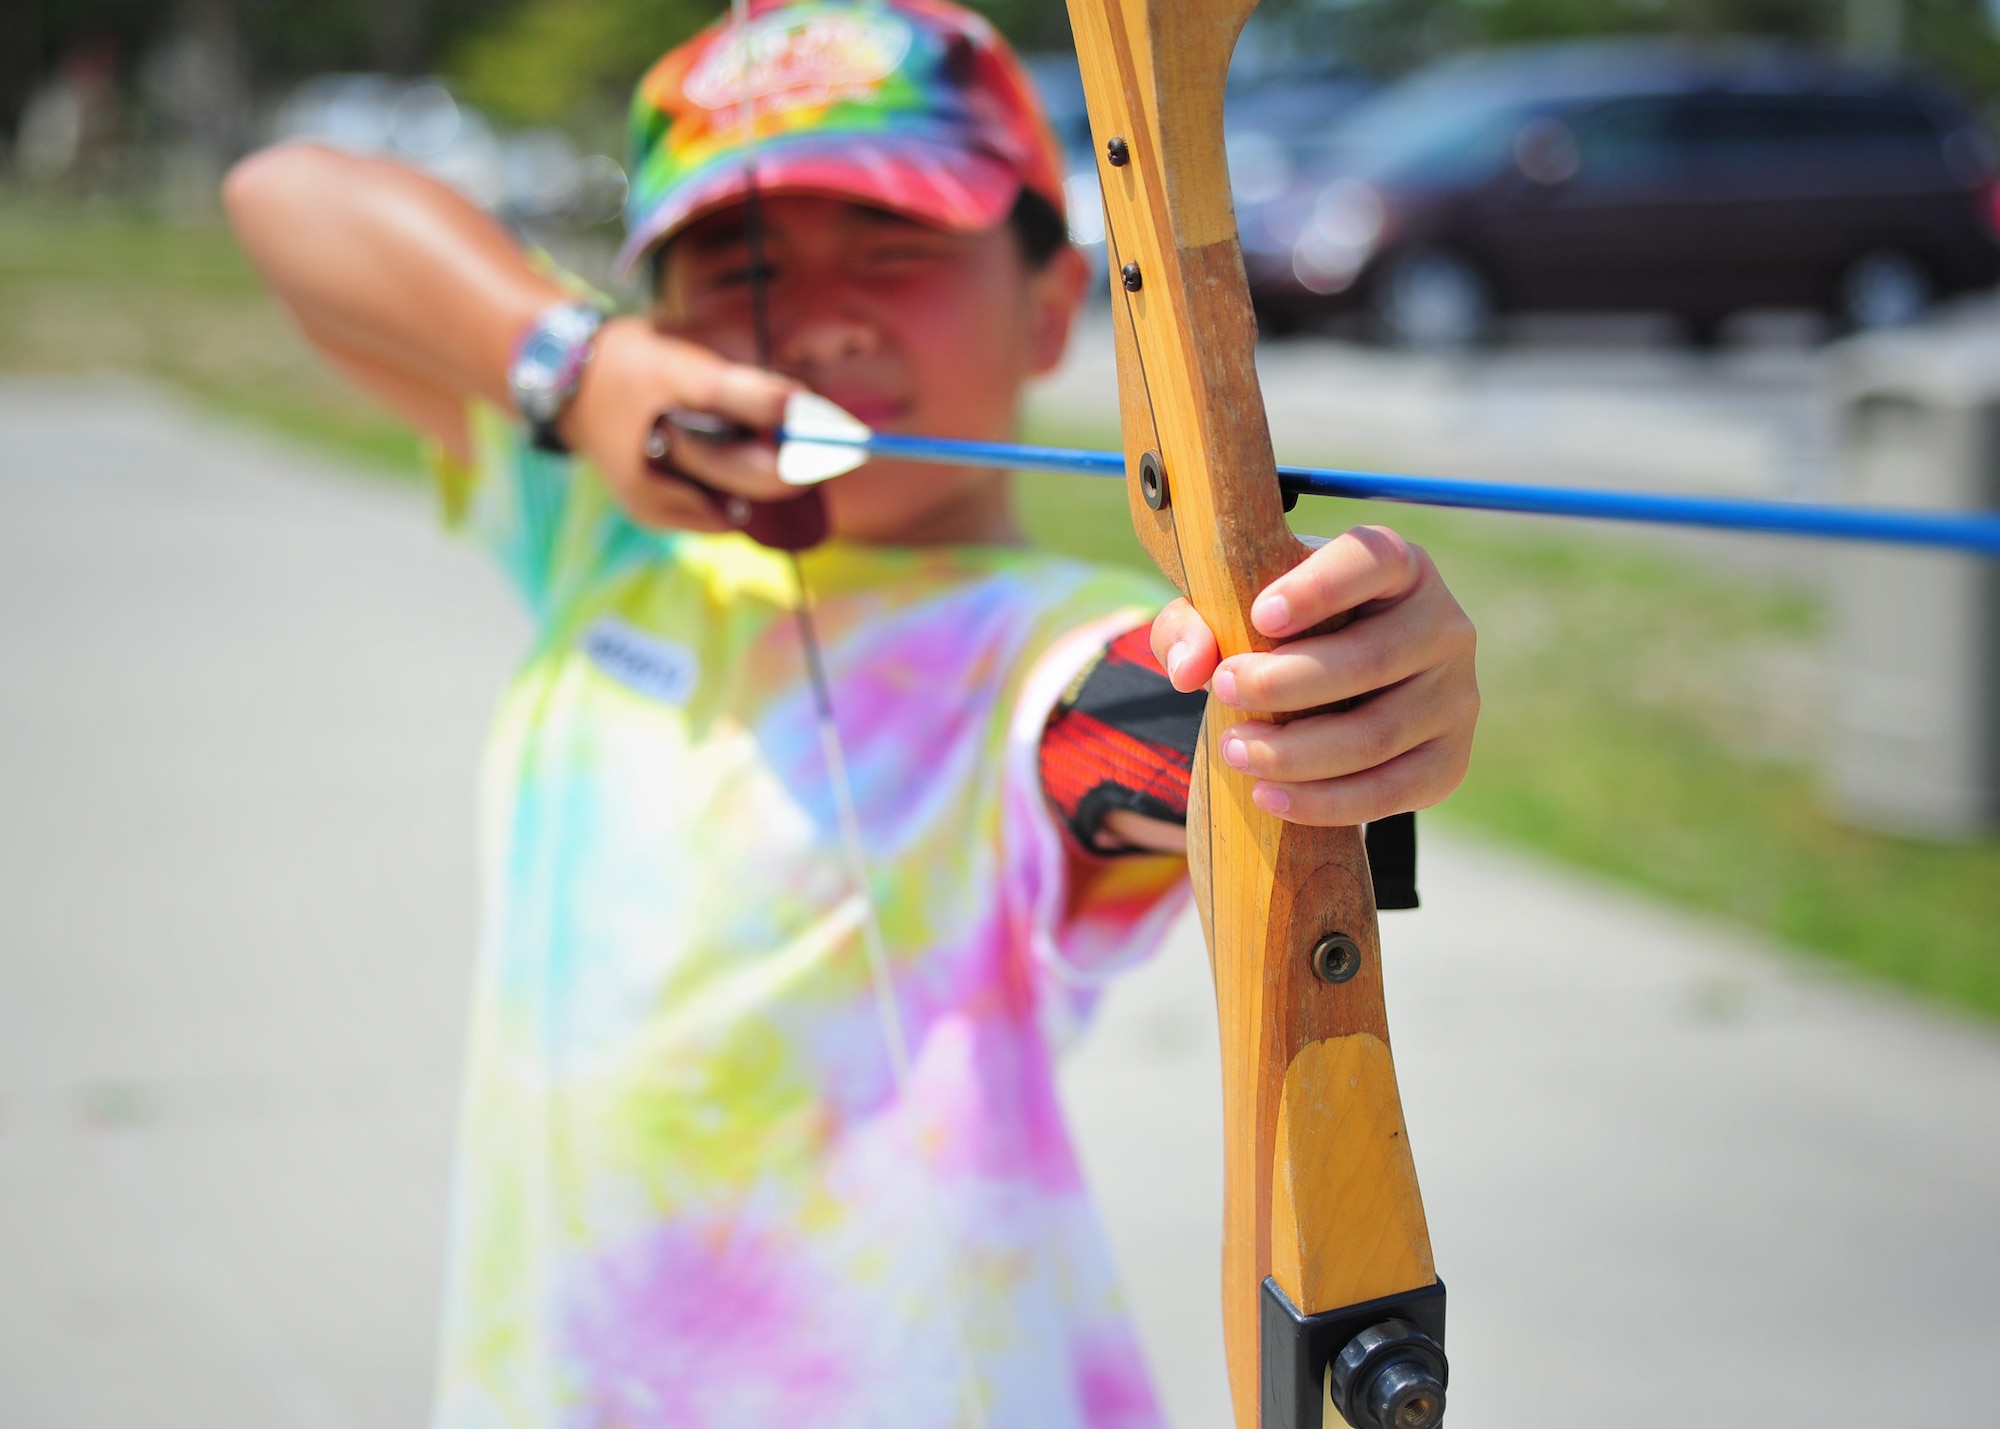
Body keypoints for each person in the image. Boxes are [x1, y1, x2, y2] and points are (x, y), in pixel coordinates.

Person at [224, 1, 1478, 1424]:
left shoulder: (1022, 653)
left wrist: (1327, 688)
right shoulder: (609, 536)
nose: (815, 312)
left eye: (895, 248)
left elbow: (1142, 725)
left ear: (1062, 302)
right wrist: (570, 371)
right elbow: (279, 197)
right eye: (738, 260)